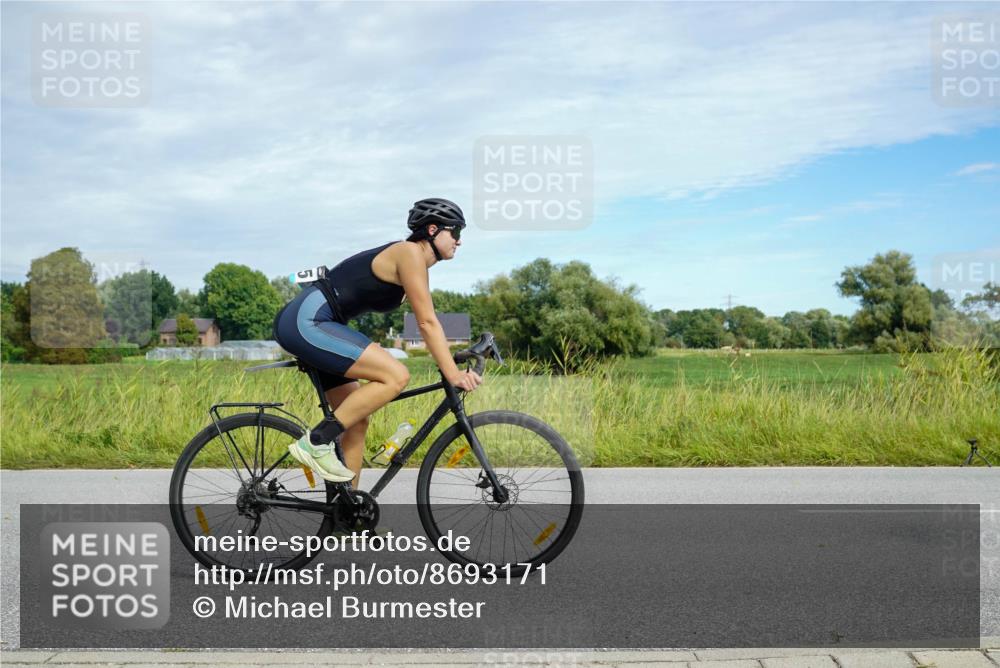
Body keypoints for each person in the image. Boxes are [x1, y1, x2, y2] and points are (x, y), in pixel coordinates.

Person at [271, 198, 483, 486]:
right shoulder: (409, 253)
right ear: (433, 230)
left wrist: (452, 356)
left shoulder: (414, 263)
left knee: (356, 421)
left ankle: (347, 518)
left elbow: (429, 323)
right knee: (395, 375)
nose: (459, 241)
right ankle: (315, 442)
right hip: (307, 322)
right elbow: (427, 322)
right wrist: (453, 373)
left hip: (320, 325)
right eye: (456, 232)